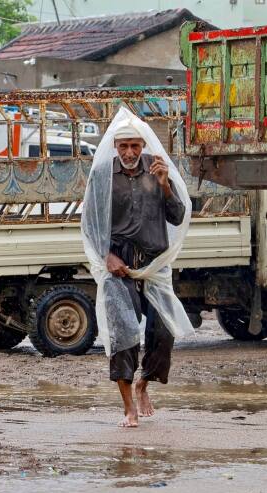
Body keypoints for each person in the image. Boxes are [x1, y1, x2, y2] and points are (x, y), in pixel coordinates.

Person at [81, 109, 192, 429]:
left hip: (154, 263)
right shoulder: (102, 175)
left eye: (135, 146)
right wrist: (106, 257)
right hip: (118, 265)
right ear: (115, 147)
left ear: (143, 145)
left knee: (163, 331)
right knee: (123, 334)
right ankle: (128, 405)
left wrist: (165, 186)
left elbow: (177, 216)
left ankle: (144, 383)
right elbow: (90, 224)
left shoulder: (157, 170)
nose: (129, 153)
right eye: (123, 146)